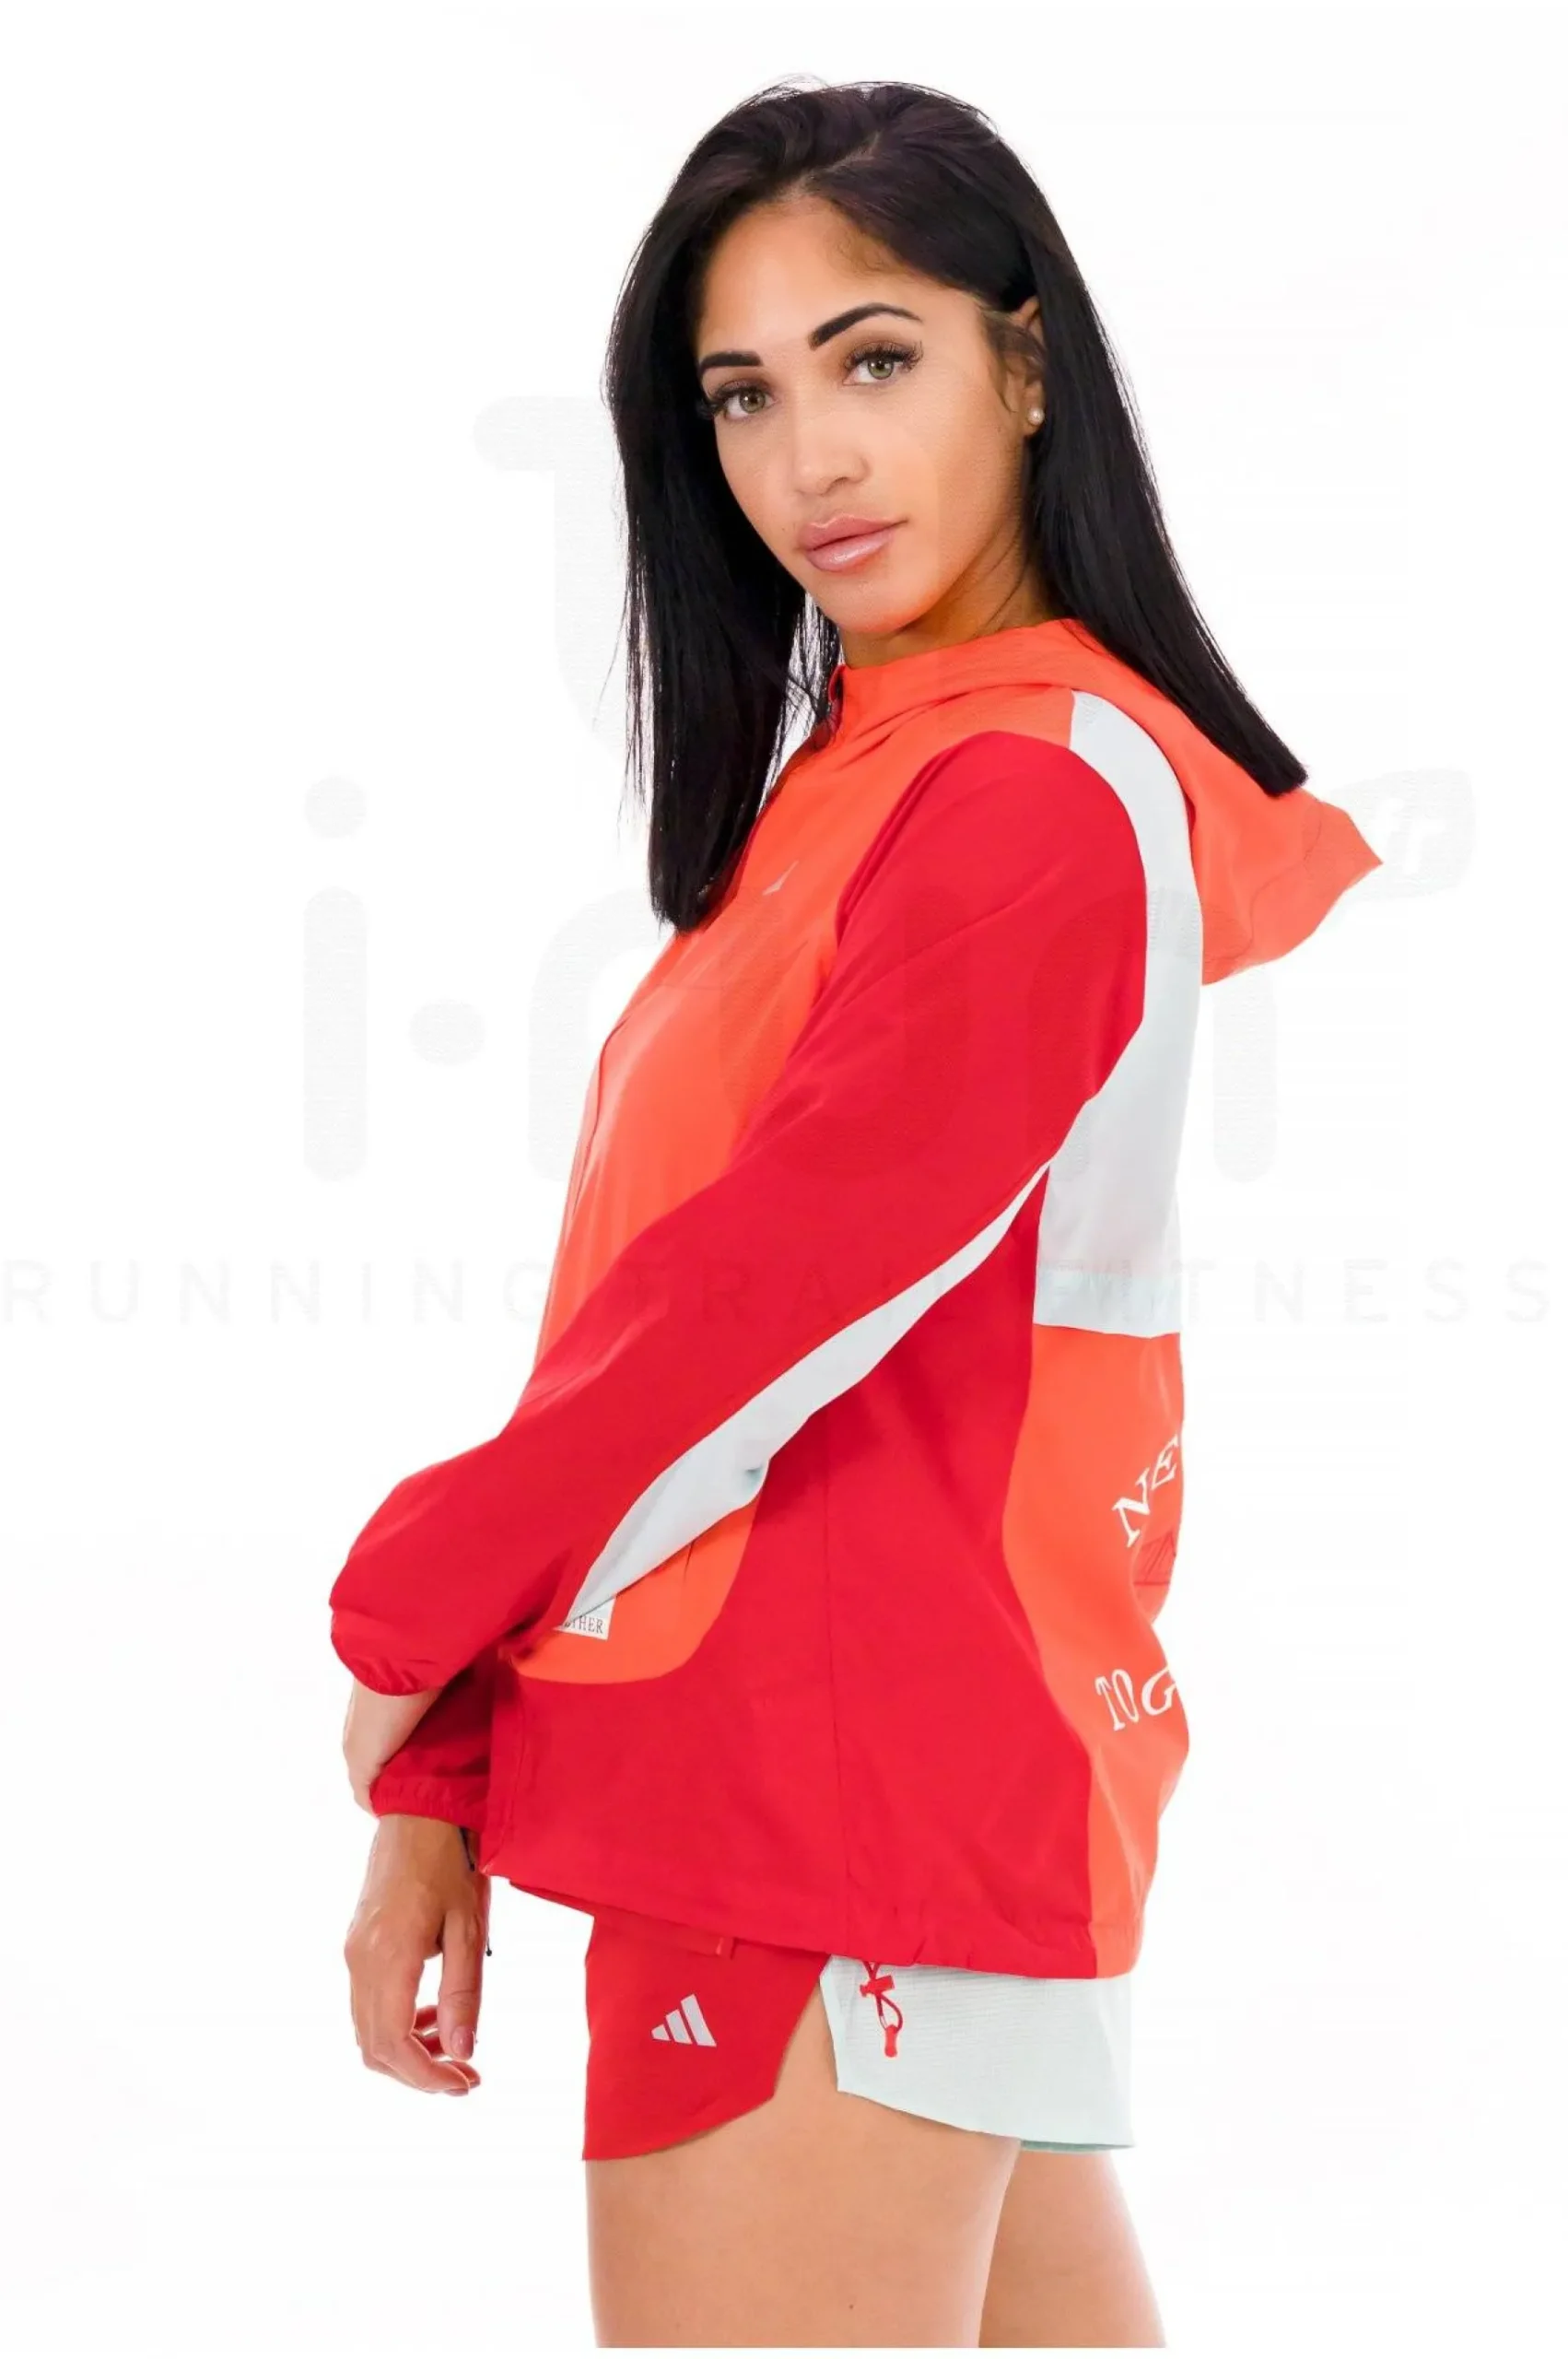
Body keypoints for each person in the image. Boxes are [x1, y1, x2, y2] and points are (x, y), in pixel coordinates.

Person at [330, 76, 1380, 2347]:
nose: (809, 455)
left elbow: (753, 1299)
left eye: (872, 357)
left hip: (821, 1814)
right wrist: (455, 1756)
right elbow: (664, 1338)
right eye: (742, 394)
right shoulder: (871, 783)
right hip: (862, 1786)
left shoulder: (1020, 799)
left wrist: (407, 1614)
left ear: (1025, 363)